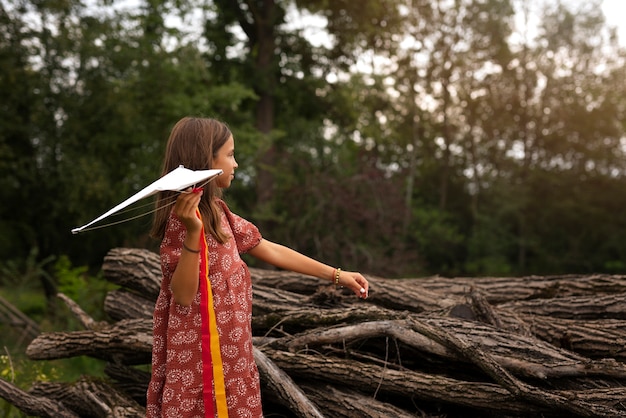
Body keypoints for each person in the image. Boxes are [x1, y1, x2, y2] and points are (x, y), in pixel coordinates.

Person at [146, 116, 369, 417]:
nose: (236, 164)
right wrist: (194, 233)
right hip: (201, 358)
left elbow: (270, 249)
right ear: (206, 161)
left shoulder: (219, 211)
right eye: (229, 154)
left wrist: (336, 275)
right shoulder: (182, 222)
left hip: (232, 353)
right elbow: (183, 295)